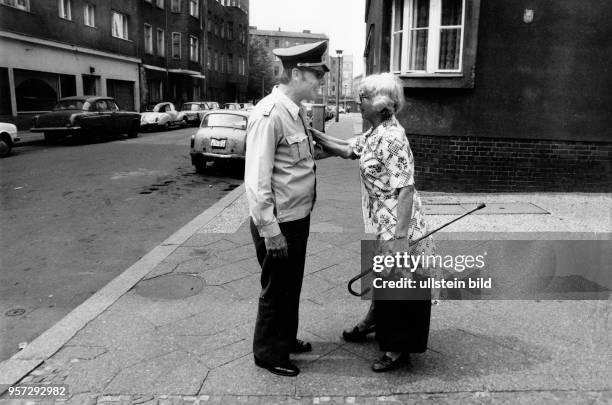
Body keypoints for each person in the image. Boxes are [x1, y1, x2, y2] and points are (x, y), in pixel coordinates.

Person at [309, 72, 435, 372]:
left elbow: (405, 188)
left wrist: (400, 240)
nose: (358, 101)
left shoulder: (392, 138)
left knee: (399, 284)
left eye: (363, 97)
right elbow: (347, 148)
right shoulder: (376, 132)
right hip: (386, 221)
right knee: (386, 277)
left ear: (380, 103)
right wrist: (312, 134)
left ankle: (396, 349)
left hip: (400, 224)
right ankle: (372, 322)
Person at [244, 40, 329, 377]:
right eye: (316, 75)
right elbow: (256, 181)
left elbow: (305, 156)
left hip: (297, 217)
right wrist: (270, 230)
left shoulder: (295, 112)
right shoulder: (269, 114)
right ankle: (268, 353)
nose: (320, 81)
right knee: (277, 289)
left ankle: (285, 338)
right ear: (296, 73)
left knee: (290, 285)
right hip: (279, 223)